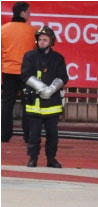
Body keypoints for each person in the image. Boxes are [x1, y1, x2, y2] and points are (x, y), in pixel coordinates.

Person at [21, 25, 68, 168]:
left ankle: (51, 159)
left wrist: (51, 89)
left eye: (45, 40)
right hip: (34, 102)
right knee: (33, 134)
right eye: (40, 39)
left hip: (52, 103)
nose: (42, 42)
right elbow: (25, 75)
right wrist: (42, 89)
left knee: (52, 135)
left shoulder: (58, 58)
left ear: (51, 41)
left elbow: (63, 76)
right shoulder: (29, 56)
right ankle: (33, 159)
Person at [1, 1, 36, 143]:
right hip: (26, 73)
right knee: (27, 104)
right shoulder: (32, 31)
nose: (30, 14)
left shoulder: (3, 29)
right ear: (22, 13)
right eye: (28, 12)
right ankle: (28, 136)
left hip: (8, 71)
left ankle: (4, 135)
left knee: (7, 104)